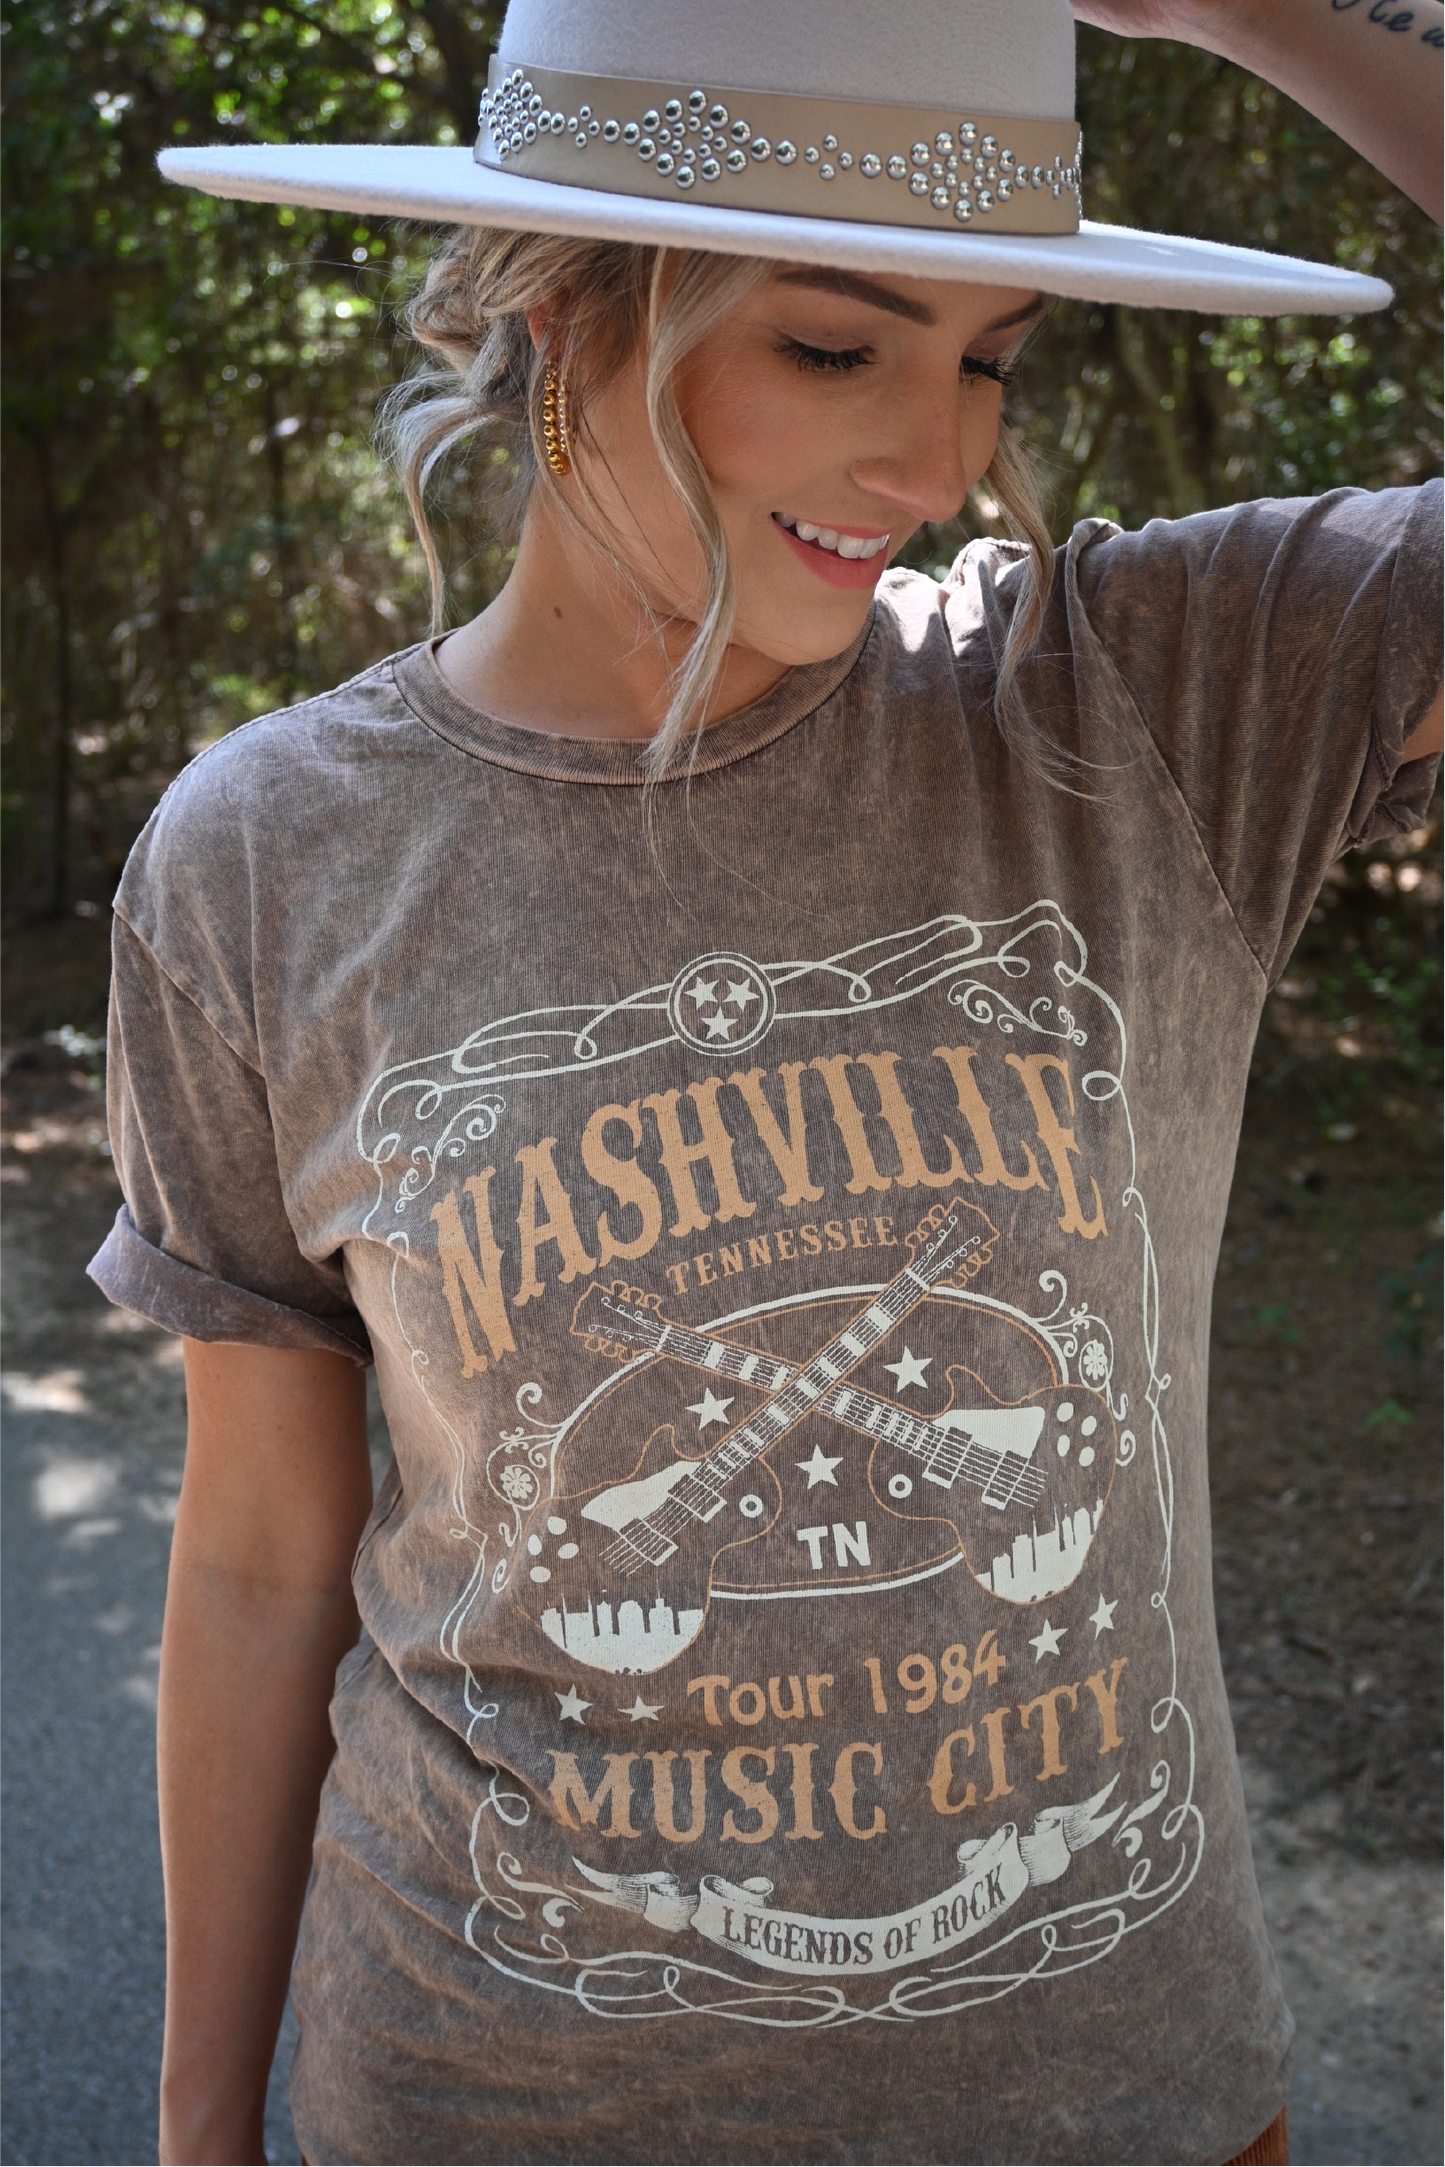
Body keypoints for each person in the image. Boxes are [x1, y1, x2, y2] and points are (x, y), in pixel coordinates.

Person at [90, 0, 1445, 2161]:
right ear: (561, 305)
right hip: (482, 2093)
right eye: (835, 347)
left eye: (990, 353)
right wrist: (191, 2133)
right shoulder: (265, 857)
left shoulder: (1142, 713)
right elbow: (261, 1554)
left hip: (1112, 2104)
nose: (932, 460)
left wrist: (1256, 18)